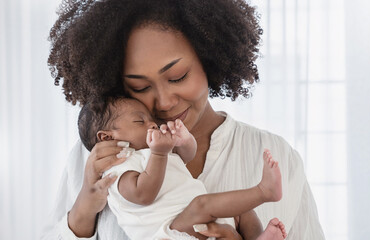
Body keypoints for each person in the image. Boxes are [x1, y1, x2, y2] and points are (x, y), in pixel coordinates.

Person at [42, 0, 325, 239]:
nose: (164, 102)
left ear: (209, 56)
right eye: (140, 87)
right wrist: (82, 212)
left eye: (177, 77)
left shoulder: (274, 154)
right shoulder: (101, 159)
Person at [77, 96, 287, 240]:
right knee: (202, 203)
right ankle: (264, 191)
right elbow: (143, 194)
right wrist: (159, 153)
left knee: (243, 209)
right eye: (139, 121)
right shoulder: (117, 168)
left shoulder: (152, 151)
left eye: (150, 119)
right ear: (107, 137)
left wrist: (184, 141)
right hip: (170, 230)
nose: (152, 124)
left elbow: (185, 157)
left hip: (193, 218)